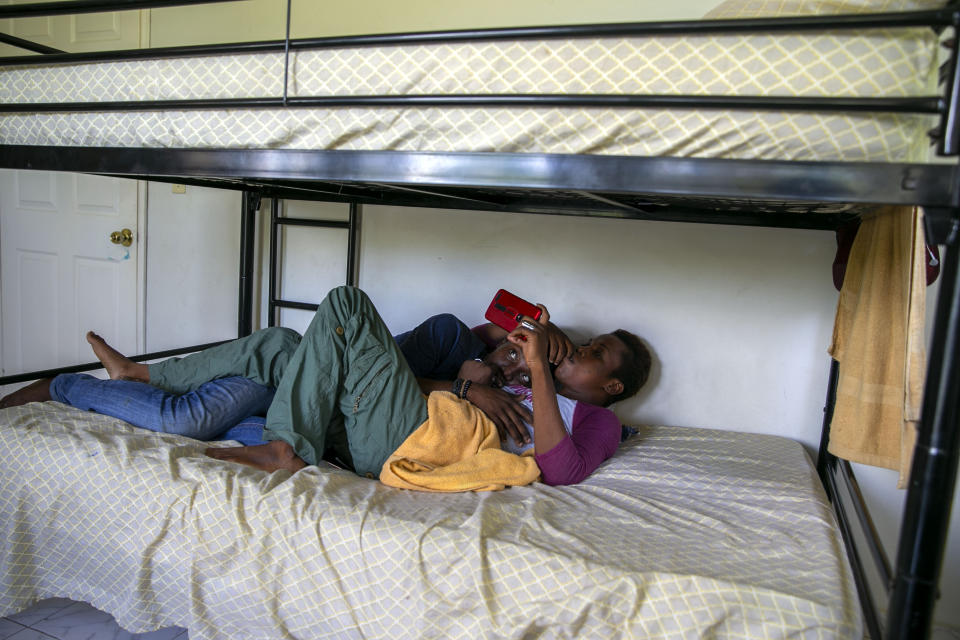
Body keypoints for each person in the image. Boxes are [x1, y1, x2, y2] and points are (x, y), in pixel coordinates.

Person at [3, 286, 651, 485]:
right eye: (586, 341)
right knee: (280, 346)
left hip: (407, 434)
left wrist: (537, 371)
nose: (583, 349)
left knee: (342, 304)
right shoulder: (506, 363)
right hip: (363, 420)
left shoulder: (597, 422)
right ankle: (133, 374)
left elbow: (560, 468)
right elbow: (415, 372)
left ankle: (285, 444)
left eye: (596, 354)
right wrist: (482, 373)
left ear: (612, 386)